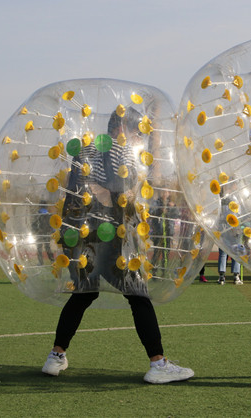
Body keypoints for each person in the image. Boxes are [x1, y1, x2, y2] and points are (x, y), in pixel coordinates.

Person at [42, 108, 194, 384]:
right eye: (136, 131)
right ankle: (158, 363)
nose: (137, 137)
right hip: (112, 232)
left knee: (84, 293)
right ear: (123, 128)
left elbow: (76, 189)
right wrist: (120, 200)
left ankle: (55, 356)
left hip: (81, 232)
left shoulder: (85, 151)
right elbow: (123, 192)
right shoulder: (122, 153)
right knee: (138, 295)